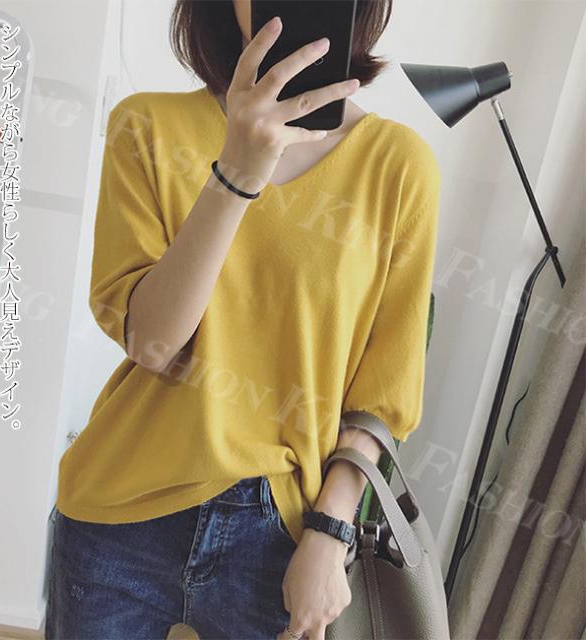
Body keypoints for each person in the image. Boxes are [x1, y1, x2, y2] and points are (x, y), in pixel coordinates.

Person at [45, 0, 442, 638]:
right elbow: (152, 343)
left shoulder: (398, 167)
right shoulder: (146, 126)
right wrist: (235, 175)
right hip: (120, 514)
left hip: (283, 535)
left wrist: (330, 532)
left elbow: (383, 397)